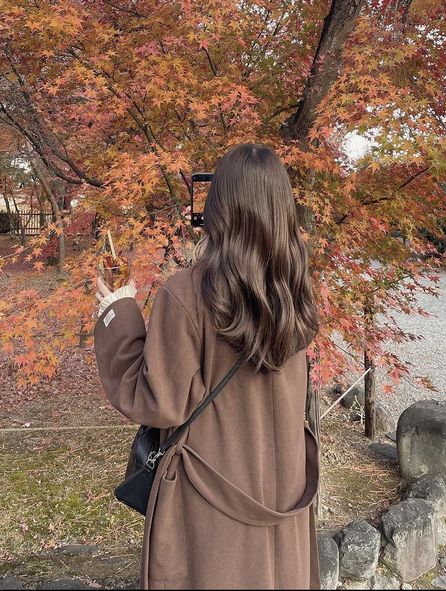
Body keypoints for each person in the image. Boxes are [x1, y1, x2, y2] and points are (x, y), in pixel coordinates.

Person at [94, 143, 321, 590]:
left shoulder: (188, 293)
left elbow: (157, 401)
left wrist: (117, 311)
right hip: (283, 498)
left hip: (211, 506)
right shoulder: (296, 292)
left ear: (219, 207)